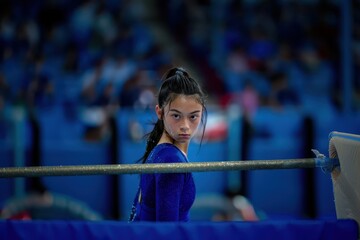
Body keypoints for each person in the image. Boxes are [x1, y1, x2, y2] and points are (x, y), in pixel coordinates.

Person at [129, 67, 207, 222]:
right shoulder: (171, 160)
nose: (185, 125)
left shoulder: (162, 152)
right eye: (176, 116)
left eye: (193, 117)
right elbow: (167, 232)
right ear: (160, 112)